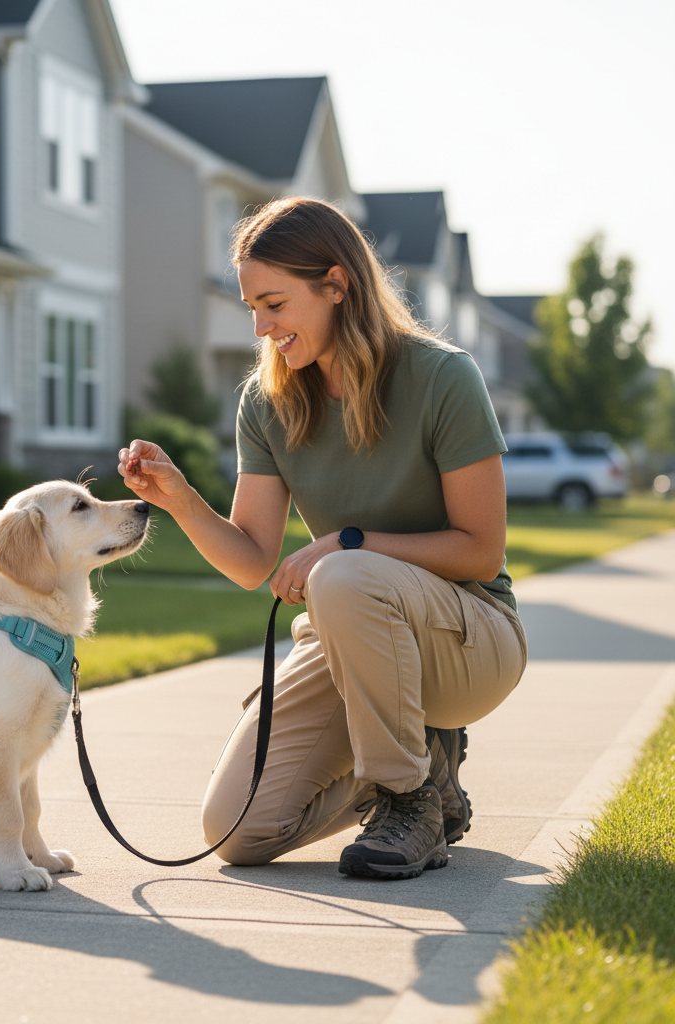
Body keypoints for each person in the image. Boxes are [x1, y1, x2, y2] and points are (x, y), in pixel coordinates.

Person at [117, 196, 527, 880]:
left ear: (336, 285)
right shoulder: (267, 401)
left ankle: (409, 799)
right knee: (237, 831)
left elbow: (480, 550)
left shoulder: (442, 376)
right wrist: (182, 501)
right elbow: (254, 560)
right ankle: (424, 769)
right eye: (252, 307)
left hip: (472, 642)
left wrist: (346, 543)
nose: (261, 326)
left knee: (341, 574)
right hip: (353, 636)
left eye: (274, 304)